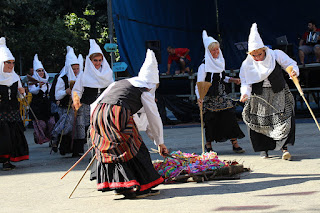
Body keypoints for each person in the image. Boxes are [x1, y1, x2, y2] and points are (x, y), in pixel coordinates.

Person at [89, 49, 168, 199]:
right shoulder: (146, 90)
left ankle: (122, 187)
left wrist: (95, 126)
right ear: (153, 82)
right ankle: (143, 187)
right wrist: (160, 142)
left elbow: (96, 103)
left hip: (99, 113)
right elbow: (153, 117)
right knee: (135, 146)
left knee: (113, 148)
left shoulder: (122, 83)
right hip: (117, 113)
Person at [239, 23, 299, 160]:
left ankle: (284, 148)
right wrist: (245, 94)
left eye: (259, 54)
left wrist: (293, 72)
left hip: (278, 92)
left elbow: (290, 64)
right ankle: (263, 149)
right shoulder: (247, 64)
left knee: (283, 118)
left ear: (264, 49)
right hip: (259, 95)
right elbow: (245, 82)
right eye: (254, 55)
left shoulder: (276, 54)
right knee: (259, 120)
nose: (257, 57)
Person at [195, 30, 245, 153]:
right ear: (208, 51)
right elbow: (199, 83)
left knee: (230, 117)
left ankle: (235, 143)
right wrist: (199, 98)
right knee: (211, 121)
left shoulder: (220, 62)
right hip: (209, 98)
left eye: (217, 49)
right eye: (213, 50)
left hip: (222, 96)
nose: (216, 52)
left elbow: (222, 78)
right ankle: (208, 145)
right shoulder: (204, 66)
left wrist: (232, 80)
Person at [72, 39, 114, 157]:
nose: (98, 63)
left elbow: (112, 88)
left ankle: (104, 151)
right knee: (91, 130)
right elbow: (77, 90)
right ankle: (94, 152)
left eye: (100, 60)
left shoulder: (108, 73)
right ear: (90, 61)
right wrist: (76, 101)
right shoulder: (83, 74)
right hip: (88, 107)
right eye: (95, 60)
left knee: (104, 128)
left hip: (104, 105)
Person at [0, 37, 29, 170]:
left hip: (13, 111)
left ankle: (7, 161)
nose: (11, 65)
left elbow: (21, 95)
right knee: (4, 137)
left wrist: (22, 92)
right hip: (1, 112)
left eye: (12, 62)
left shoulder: (15, 77)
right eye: (8, 62)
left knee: (12, 137)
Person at [51, 46, 82, 156]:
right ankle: (58, 141)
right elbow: (57, 95)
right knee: (67, 127)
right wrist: (66, 91)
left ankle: (75, 150)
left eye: (77, 68)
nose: (76, 71)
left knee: (78, 129)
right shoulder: (62, 78)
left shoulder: (80, 77)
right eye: (73, 68)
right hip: (65, 107)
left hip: (77, 106)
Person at [28, 54, 55, 144]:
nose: (41, 72)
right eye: (39, 71)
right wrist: (39, 87)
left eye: (42, 70)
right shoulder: (32, 82)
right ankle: (40, 138)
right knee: (41, 125)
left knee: (51, 123)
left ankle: (51, 139)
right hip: (37, 107)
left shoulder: (47, 83)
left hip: (46, 107)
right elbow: (33, 91)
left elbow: (51, 93)